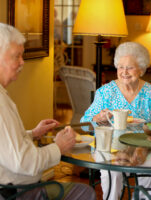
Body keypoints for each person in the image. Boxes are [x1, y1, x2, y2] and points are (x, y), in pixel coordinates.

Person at [0, 23, 96, 200]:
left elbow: (6, 146)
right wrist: (58, 147)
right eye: (16, 56)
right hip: (16, 193)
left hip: (13, 187)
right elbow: (23, 162)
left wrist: (32, 134)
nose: (22, 62)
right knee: (85, 192)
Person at [81, 42, 151, 200]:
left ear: (141, 69)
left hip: (142, 147)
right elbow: (85, 124)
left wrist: (143, 147)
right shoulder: (105, 92)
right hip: (110, 147)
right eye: (120, 67)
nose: (124, 72)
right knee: (113, 169)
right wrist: (98, 119)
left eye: (130, 67)